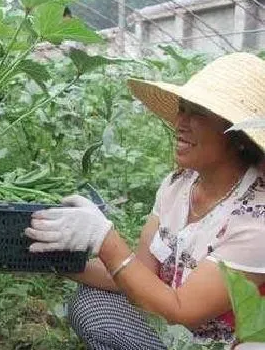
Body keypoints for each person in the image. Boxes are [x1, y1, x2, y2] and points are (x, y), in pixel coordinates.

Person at [26, 52, 265, 349]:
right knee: (91, 303)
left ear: (238, 136)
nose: (181, 122)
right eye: (182, 109)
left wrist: (104, 239)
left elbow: (182, 310)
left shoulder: (257, 219)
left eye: (198, 113)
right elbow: (139, 272)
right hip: (173, 331)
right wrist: (51, 261)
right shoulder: (178, 185)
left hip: (217, 343)